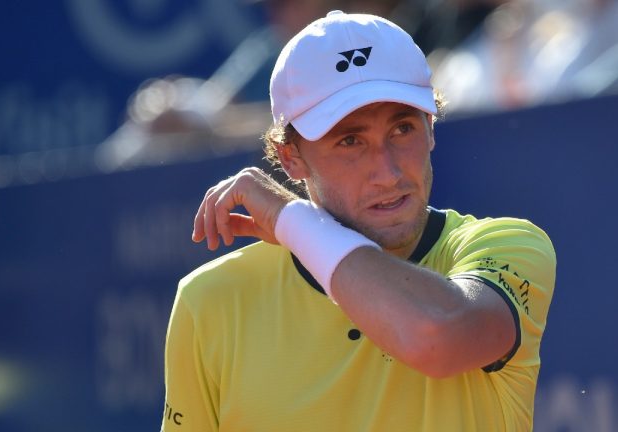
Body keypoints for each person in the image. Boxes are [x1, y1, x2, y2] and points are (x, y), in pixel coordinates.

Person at [162, 10, 556, 431]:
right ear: (290, 157)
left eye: (403, 129)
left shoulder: (511, 245)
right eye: (350, 140)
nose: (387, 172)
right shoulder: (209, 300)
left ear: (431, 128)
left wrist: (288, 216)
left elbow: (438, 338)